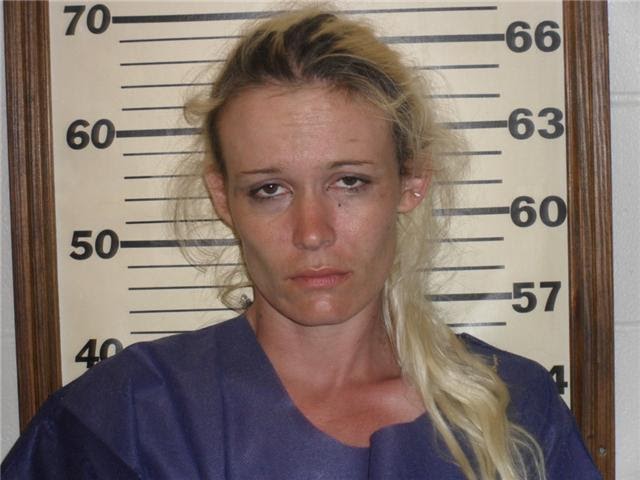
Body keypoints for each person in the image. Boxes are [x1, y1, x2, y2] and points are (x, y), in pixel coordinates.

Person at [2, 7, 601, 480]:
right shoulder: (122, 423)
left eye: (350, 182)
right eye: (269, 189)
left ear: (410, 183)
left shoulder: (515, 413)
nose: (312, 231)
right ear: (223, 198)